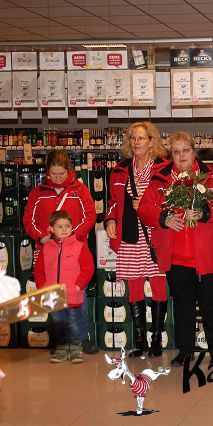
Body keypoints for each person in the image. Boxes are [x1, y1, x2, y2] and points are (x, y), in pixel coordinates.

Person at [138, 131, 213, 367]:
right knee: (183, 306)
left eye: (186, 150)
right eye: (176, 152)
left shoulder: (212, 178)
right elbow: (144, 209)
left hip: (207, 257)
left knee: (211, 304)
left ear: (194, 151)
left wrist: (205, 213)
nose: (181, 156)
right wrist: (164, 218)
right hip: (176, 257)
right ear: (170, 155)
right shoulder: (160, 179)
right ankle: (185, 351)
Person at [104, 122, 169, 358]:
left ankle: (157, 339)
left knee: (159, 285)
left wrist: (148, 205)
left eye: (141, 138)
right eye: (133, 138)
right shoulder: (120, 169)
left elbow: (171, 200)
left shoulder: (164, 168)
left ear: (152, 141)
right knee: (134, 287)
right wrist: (110, 219)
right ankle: (141, 340)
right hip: (130, 234)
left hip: (155, 233)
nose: (136, 142)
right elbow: (113, 201)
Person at [22, 149, 97, 354]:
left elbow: (90, 216)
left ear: (68, 170)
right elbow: (28, 220)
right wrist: (42, 237)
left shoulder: (80, 190)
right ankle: (61, 340)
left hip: (75, 252)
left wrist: (74, 235)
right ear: (47, 171)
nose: (57, 178)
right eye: (53, 174)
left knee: (78, 297)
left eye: (61, 174)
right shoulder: (38, 193)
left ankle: (81, 338)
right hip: (49, 253)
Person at [34, 211, 94, 363]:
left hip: (73, 294)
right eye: (60, 226)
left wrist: (78, 286)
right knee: (59, 323)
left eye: (67, 226)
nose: (64, 229)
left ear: (72, 227)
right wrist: (43, 287)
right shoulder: (46, 248)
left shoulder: (79, 247)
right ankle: (60, 351)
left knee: (74, 323)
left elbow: (88, 268)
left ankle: (75, 351)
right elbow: (39, 271)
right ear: (52, 229)